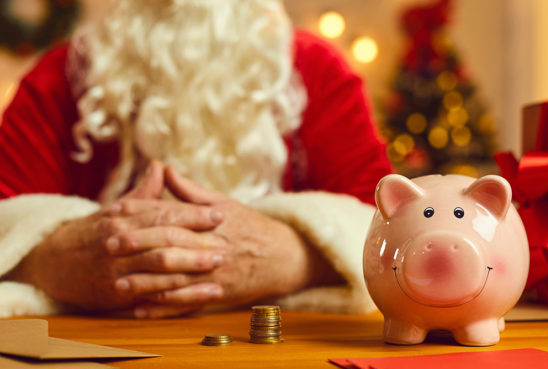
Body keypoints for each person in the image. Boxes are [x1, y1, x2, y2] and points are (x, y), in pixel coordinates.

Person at [0, 0, 392, 318]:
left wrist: (296, 257)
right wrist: (54, 260)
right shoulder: (57, 78)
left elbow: (385, 226)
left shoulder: (317, 71)